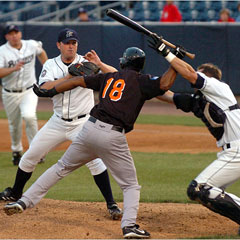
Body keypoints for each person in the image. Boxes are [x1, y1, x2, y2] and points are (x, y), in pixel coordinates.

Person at [4, 46, 178, 239]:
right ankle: (129, 226)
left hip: (89, 129)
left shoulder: (109, 77)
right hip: (112, 136)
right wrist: (174, 61)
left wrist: (50, 91)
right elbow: (165, 83)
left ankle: (23, 201)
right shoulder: (142, 81)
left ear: (124, 62)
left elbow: (77, 80)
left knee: (61, 167)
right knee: (130, 185)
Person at [0, 28, 122, 220]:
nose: (70, 46)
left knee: (95, 163)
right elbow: (44, 87)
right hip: (57, 122)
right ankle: (16, 192)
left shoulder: (87, 62)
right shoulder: (51, 64)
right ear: (59, 45)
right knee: (30, 156)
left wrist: (98, 63)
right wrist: (67, 77)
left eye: (74, 43)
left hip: (82, 123)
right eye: (67, 43)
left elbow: (117, 76)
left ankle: (111, 204)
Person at [149, 34, 240, 230]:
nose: (194, 77)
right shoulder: (198, 101)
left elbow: (189, 73)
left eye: (200, 74)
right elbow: (167, 95)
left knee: (199, 188)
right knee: (206, 193)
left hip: (238, 150)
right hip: (231, 151)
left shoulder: (220, 87)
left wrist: (167, 54)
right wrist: (142, 83)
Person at [0, 24, 48, 165]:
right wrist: (13, 69)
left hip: (29, 90)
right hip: (10, 93)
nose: (14, 35)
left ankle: (36, 151)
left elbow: (41, 52)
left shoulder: (31, 45)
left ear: (20, 33)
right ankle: (16, 150)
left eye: (16, 32)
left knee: (29, 116)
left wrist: (47, 68)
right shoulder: (2, 51)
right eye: (11, 33)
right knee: (14, 125)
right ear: (6, 36)